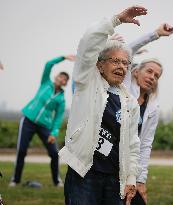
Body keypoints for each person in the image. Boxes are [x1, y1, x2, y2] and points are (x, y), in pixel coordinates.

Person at [59, 6, 147, 205]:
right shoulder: (87, 82)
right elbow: (88, 44)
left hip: (114, 178)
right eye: (115, 61)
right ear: (99, 64)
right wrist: (115, 20)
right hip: (85, 174)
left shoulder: (130, 102)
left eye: (126, 63)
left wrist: (131, 178)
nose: (122, 67)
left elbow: (133, 143)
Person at [116, 23, 173, 205]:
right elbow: (127, 50)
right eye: (149, 71)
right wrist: (156, 34)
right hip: (106, 160)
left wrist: (141, 180)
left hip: (129, 167)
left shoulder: (152, 109)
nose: (152, 77)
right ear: (135, 71)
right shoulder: (124, 86)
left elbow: (145, 144)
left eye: (157, 76)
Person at [9, 55, 74, 187]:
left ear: (65, 84)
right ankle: (15, 180)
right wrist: (63, 57)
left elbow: (58, 118)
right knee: (21, 151)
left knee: (54, 154)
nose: (62, 79)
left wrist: (54, 133)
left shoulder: (61, 99)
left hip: (44, 126)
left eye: (65, 79)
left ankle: (57, 181)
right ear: (56, 77)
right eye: (61, 76)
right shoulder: (45, 83)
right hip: (28, 121)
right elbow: (48, 64)